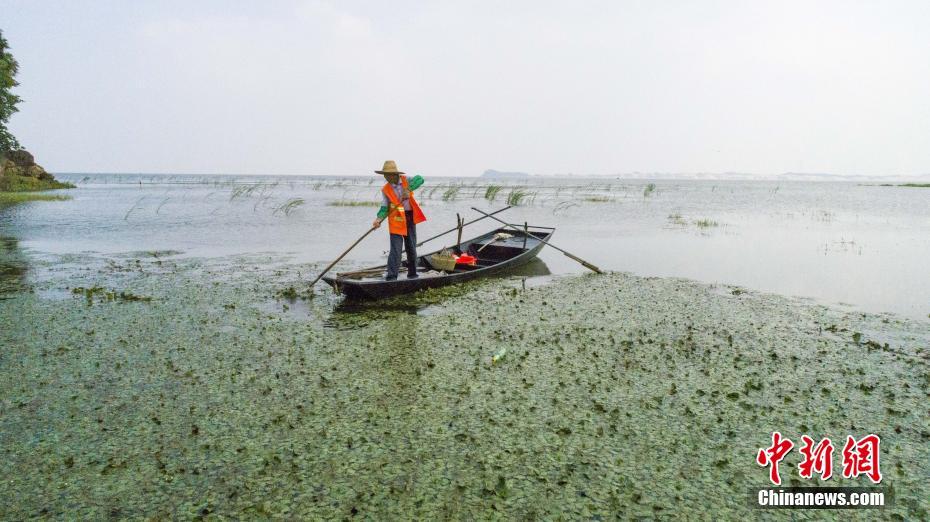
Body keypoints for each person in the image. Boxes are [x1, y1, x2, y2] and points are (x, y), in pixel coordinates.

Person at [371, 160, 427, 280]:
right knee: (395, 249)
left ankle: (412, 274)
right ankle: (391, 277)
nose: (386, 177)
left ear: (395, 174)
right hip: (396, 220)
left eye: (388, 175)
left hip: (409, 217)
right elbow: (384, 206)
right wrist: (378, 219)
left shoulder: (407, 180)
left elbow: (420, 179)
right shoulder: (385, 189)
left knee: (411, 247)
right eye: (385, 175)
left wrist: (408, 189)